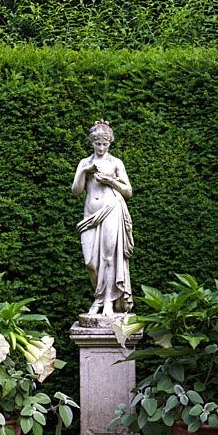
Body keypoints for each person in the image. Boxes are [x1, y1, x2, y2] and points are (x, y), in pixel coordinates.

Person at [71, 120, 134, 317]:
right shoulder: (84, 163)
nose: (101, 147)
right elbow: (75, 192)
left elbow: (128, 191)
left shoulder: (116, 163)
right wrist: (84, 172)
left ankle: (105, 301)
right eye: (97, 143)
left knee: (108, 258)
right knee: (90, 261)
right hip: (91, 215)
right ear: (92, 142)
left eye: (104, 144)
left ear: (110, 143)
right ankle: (99, 297)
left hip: (112, 210)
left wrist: (111, 181)